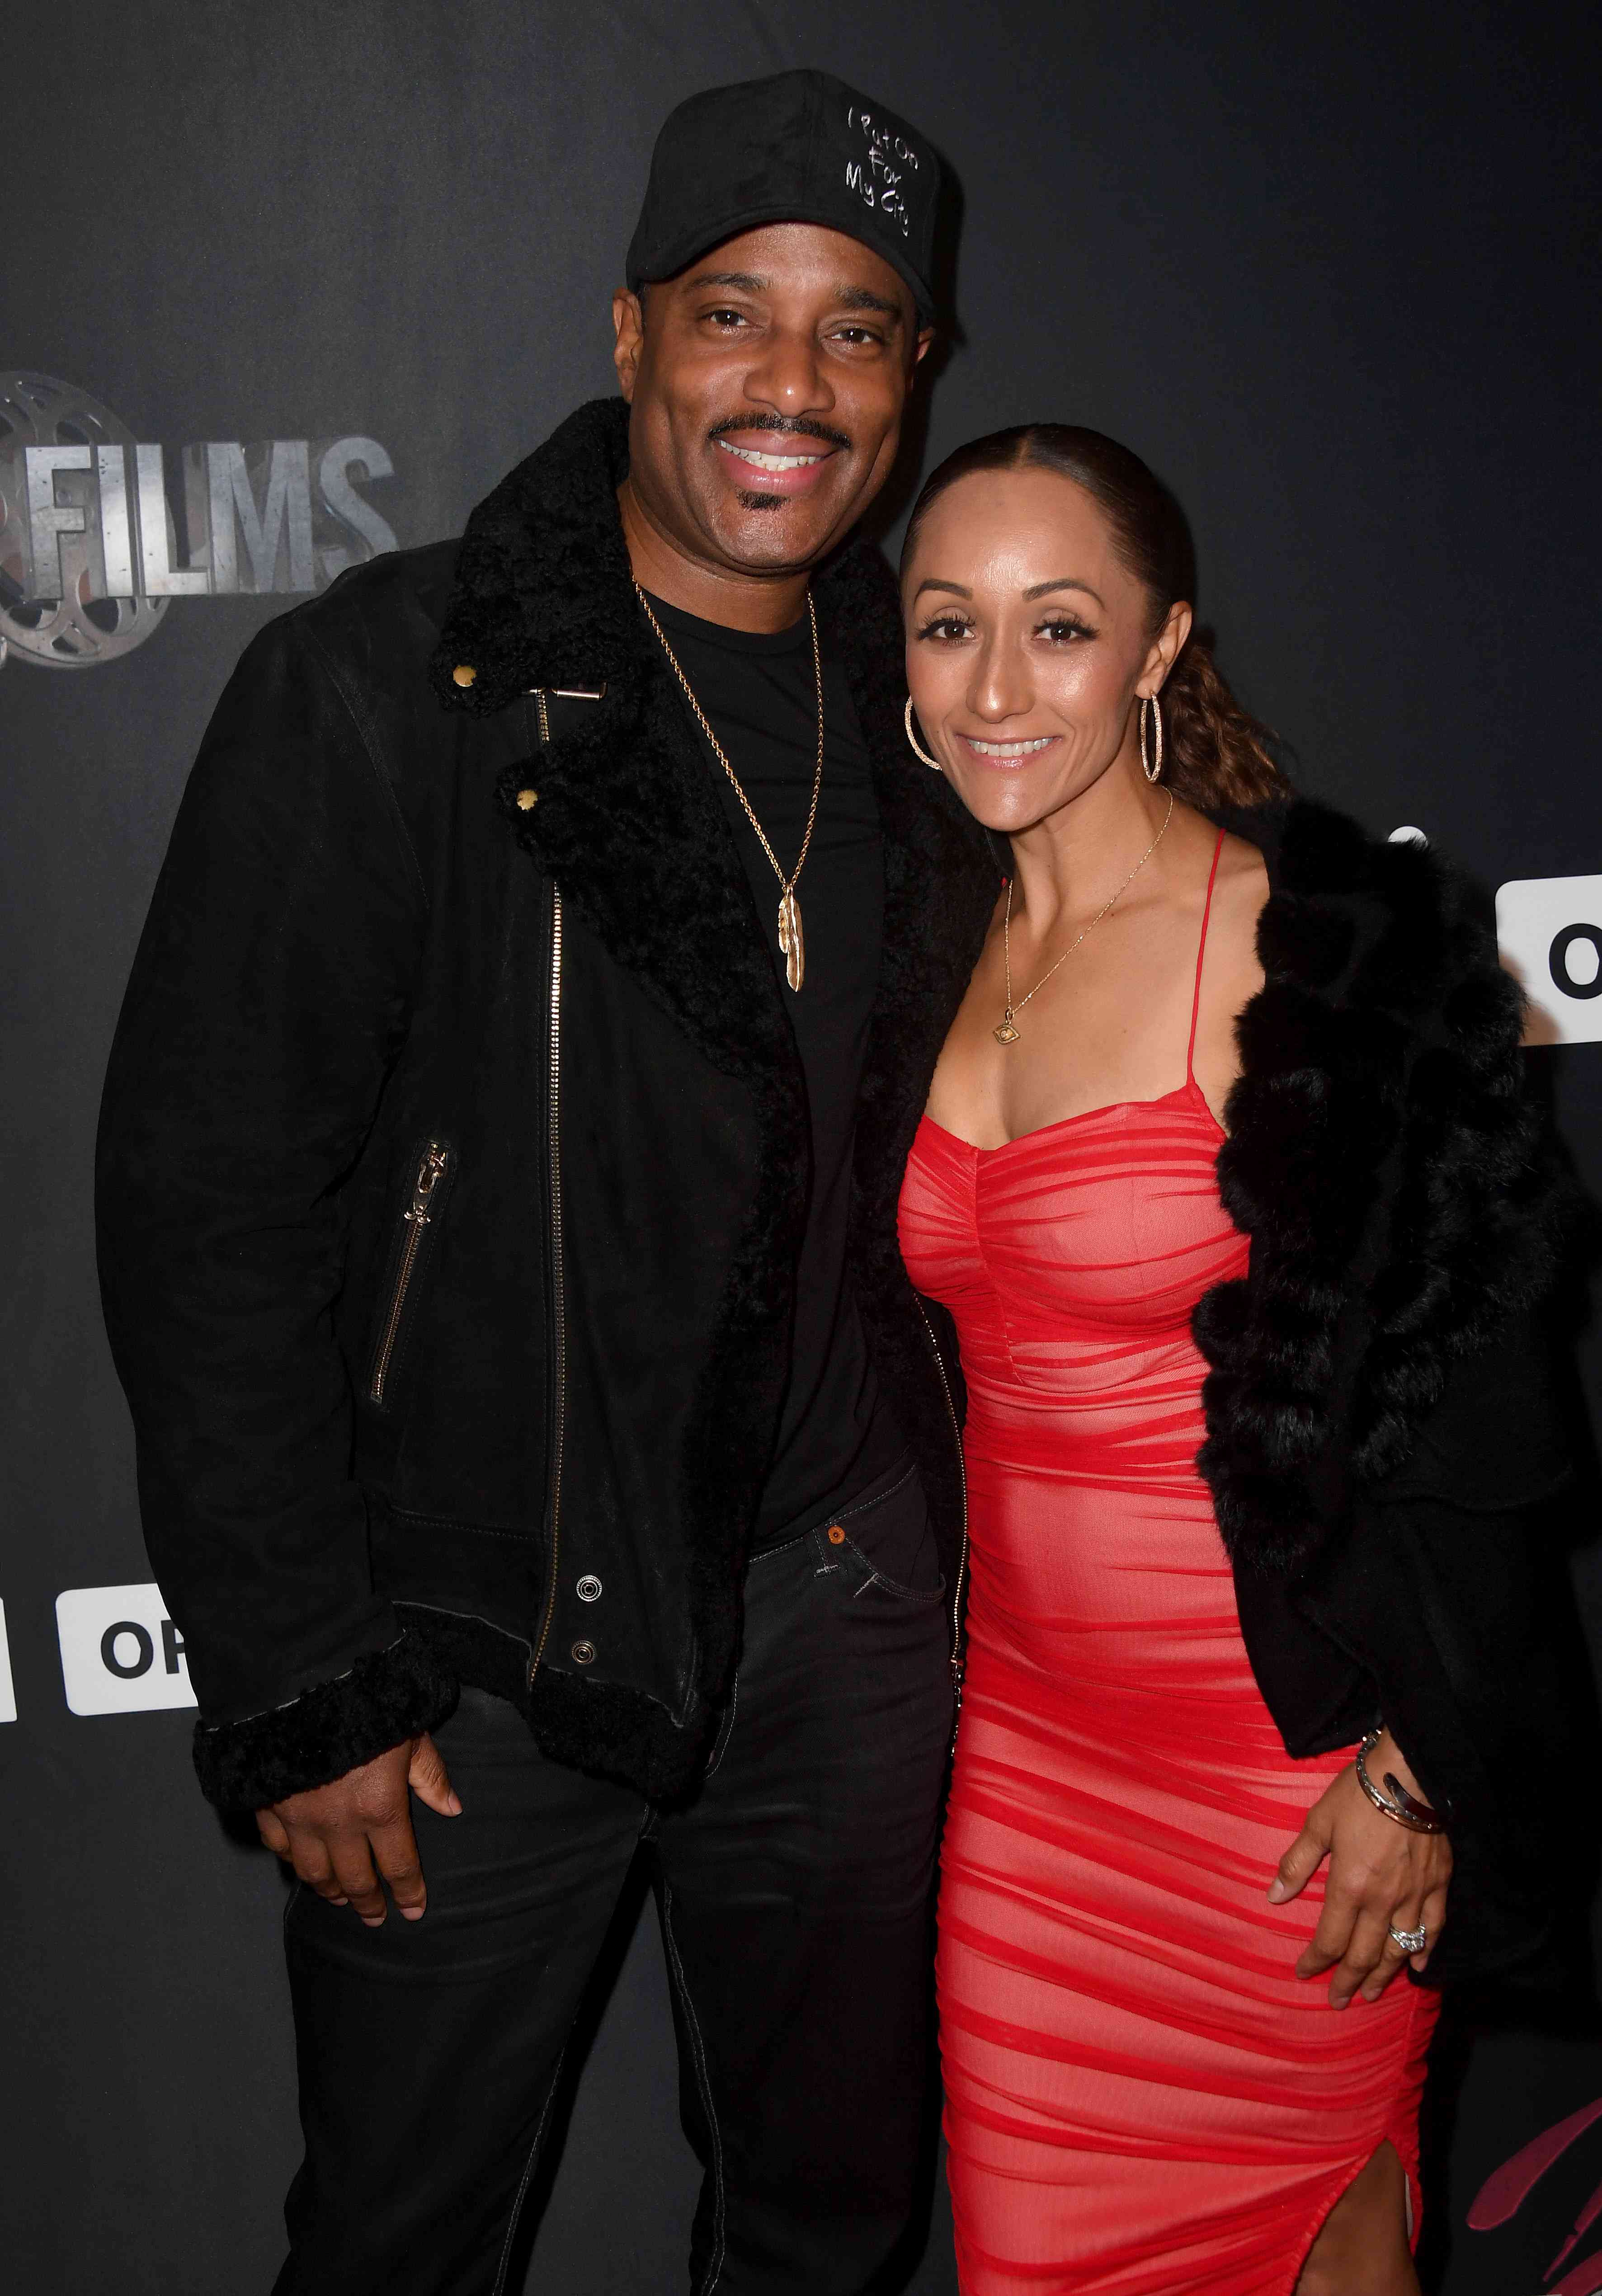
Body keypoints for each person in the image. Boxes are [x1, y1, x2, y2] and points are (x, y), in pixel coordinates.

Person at [94, 71, 999, 2295]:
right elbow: (208, 1201)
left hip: (845, 1619)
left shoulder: (949, 724)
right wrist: (304, 1670)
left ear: (913, 379)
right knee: (404, 2242)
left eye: (860, 329)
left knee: (827, 2232)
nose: (790, 384)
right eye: (733, 314)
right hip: (484, 1638)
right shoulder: (393, 684)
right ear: (628, 339)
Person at [894, 424, 1585, 2294]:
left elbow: (1489, 1417)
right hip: (1027, 1793)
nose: (995, 684)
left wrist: (1411, 1768)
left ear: (1159, 646)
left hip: (1280, 1793)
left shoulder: (1328, 957)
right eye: (947, 625)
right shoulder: (926, 938)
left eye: (1059, 627)